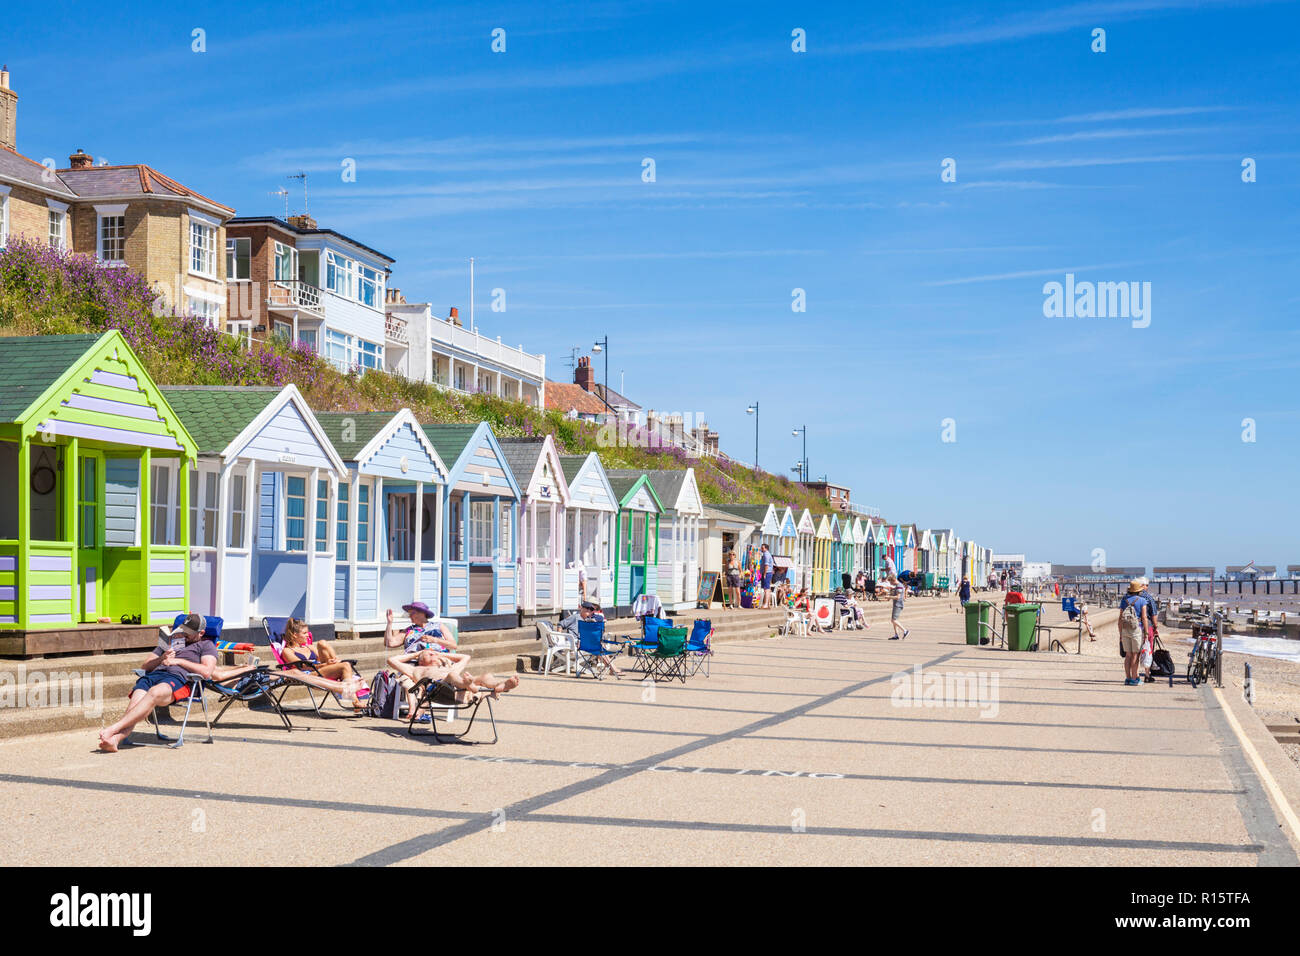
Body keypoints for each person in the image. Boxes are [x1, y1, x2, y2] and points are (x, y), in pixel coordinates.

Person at [99, 614, 217, 752]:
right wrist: (162, 657)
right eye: (183, 630)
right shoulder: (171, 642)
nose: (184, 634)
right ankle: (115, 740)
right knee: (136, 703)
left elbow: (207, 671)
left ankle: (113, 728)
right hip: (154, 675)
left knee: (153, 693)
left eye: (189, 632)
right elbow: (145, 666)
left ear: (201, 633)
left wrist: (178, 661)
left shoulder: (206, 645)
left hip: (178, 680)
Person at [388, 648, 520, 719]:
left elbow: (466, 657)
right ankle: (468, 685)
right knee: (453, 675)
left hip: (459, 688)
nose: (434, 654)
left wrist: (440, 653)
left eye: (435, 653)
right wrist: (416, 654)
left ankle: (500, 685)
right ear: (421, 661)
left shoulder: (449, 667)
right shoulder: (416, 669)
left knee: (486, 676)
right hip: (439, 690)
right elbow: (391, 660)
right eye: (429, 654)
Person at [559, 600, 622, 676]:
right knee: (598, 648)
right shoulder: (575, 617)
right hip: (574, 644)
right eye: (587, 608)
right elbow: (560, 624)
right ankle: (613, 669)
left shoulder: (589, 620)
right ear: (581, 608)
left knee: (598, 647)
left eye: (591, 609)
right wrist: (560, 638)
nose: (589, 610)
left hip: (584, 644)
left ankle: (612, 668)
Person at [1117, 578, 1154, 686]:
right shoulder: (1142, 600)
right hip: (1136, 629)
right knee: (1135, 655)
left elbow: (1120, 618)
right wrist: (1146, 633)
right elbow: (1144, 618)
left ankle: (1127, 678)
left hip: (1125, 629)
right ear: (1139, 590)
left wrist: (1120, 633)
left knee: (1128, 655)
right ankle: (1134, 679)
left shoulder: (1124, 600)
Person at [384, 602, 456, 654]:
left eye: (412, 613)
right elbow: (389, 643)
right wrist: (389, 623)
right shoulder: (408, 630)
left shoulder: (439, 626)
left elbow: (453, 645)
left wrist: (434, 640)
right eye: (409, 614)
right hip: (415, 663)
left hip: (438, 659)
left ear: (422, 613)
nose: (410, 616)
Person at [759, 543, 775, 609]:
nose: (761, 549)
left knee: (766, 589)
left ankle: (765, 604)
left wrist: (764, 573)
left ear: (766, 548)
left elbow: (766, 565)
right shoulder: (766, 554)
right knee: (767, 589)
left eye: (762, 548)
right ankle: (767, 604)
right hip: (768, 572)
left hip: (767, 573)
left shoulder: (766, 555)